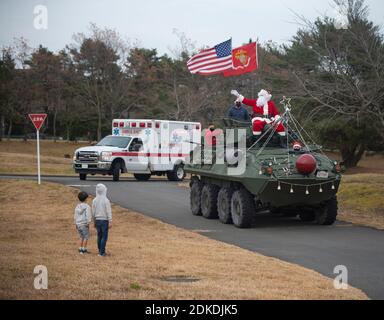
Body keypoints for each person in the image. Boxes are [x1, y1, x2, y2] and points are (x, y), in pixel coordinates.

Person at [92, 184, 112, 257]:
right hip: (104, 220)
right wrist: (110, 221)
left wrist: (94, 221)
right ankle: (102, 252)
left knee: (99, 235)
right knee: (104, 236)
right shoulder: (106, 200)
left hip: (97, 220)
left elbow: (93, 212)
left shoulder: (94, 200)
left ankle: (100, 250)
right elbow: (108, 211)